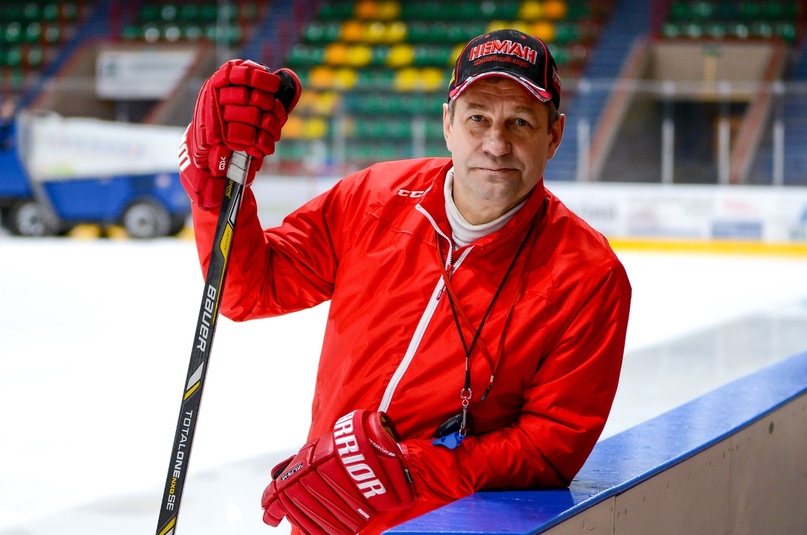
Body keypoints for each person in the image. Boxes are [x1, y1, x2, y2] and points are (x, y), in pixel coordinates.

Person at [179, 29, 632, 535]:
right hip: (330, 516)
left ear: (554, 136)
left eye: (520, 122)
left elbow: (549, 448)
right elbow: (249, 290)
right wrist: (217, 193)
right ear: (448, 124)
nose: (496, 143)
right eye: (478, 117)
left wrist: (405, 472)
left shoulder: (588, 275)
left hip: (451, 527)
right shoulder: (374, 197)